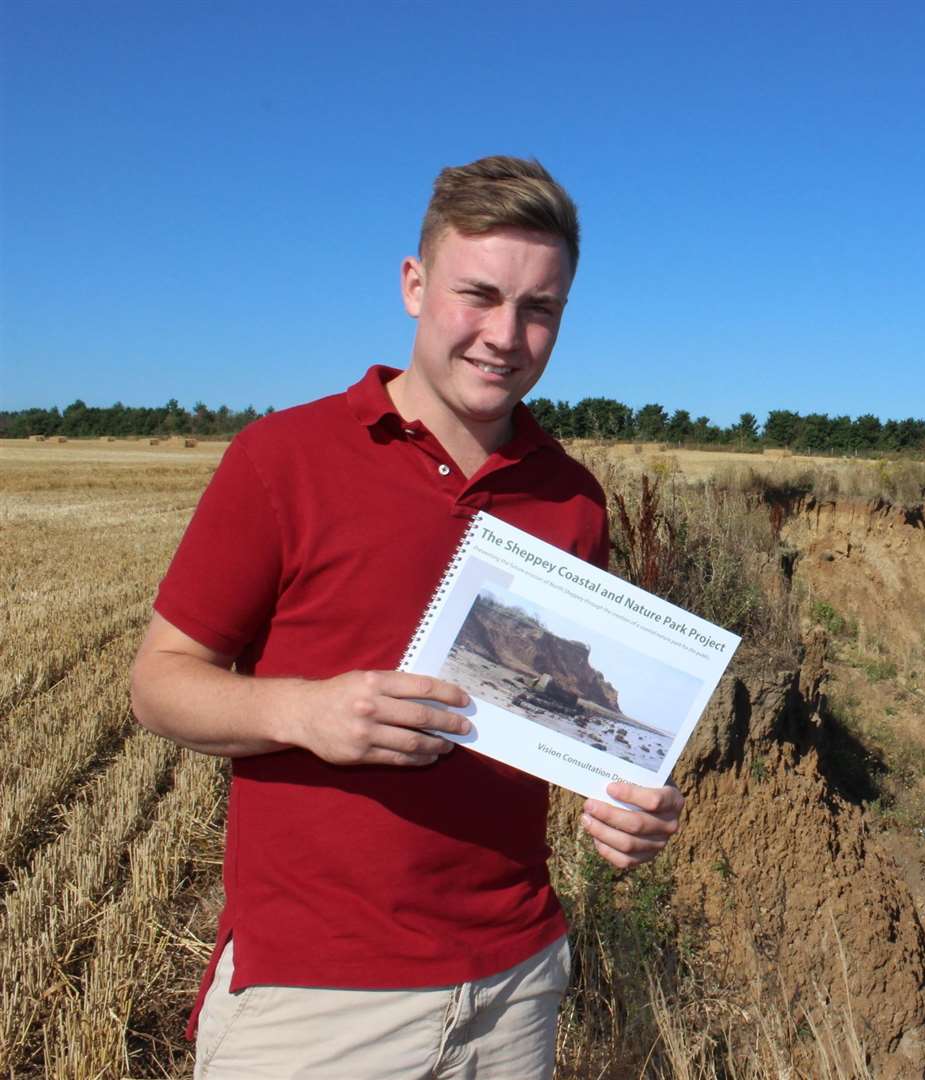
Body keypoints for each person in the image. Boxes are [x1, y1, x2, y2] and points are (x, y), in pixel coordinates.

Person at [129, 155, 682, 1078]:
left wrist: (625, 804)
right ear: (414, 286)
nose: (506, 335)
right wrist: (302, 712)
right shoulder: (285, 458)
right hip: (317, 995)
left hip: (515, 982)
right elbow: (158, 683)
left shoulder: (572, 499)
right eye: (480, 295)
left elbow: (565, 731)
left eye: (539, 308)